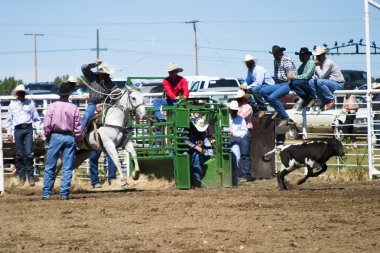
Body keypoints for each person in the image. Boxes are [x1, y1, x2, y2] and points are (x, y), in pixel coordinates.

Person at [81, 60, 121, 189]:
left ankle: (112, 179)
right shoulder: (92, 77)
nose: (103, 74)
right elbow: (84, 68)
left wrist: (117, 92)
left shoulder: (110, 83)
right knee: (87, 116)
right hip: (93, 105)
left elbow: (117, 92)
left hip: (106, 106)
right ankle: (79, 136)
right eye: (101, 72)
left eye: (104, 72)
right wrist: (95, 63)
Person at [41, 83, 83, 200]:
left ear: (58, 94)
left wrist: (47, 136)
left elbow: (47, 125)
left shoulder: (52, 106)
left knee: (50, 166)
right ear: (69, 94)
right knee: (67, 167)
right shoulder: (74, 107)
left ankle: (47, 193)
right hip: (69, 137)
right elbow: (78, 128)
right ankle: (64, 193)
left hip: (55, 136)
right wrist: (79, 141)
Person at [6, 85, 43, 186]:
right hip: (17, 130)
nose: (21, 94)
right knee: (19, 154)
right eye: (20, 92)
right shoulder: (12, 104)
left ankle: (30, 177)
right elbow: (9, 120)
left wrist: (39, 130)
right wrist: (9, 132)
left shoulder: (30, 103)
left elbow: (36, 118)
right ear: (17, 94)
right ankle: (22, 177)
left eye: (23, 92)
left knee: (28, 153)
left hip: (28, 129)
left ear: (24, 93)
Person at [260, 45, 297, 126]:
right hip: (279, 83)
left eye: (275, 53)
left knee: (272, 97)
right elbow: (277, 75)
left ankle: (285, 117)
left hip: (289, 83)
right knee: (262, 91)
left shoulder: (286, 60)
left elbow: (291, 75)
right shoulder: (275, 61)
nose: (274, 55)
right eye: (273, 53)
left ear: (280, 52)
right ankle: (277, 109)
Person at [309, 45, 345, 110]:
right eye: (317, 55)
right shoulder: (321, 63)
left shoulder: (328, 62)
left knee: (319, 82)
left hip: (338, 84)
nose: (318, 57)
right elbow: (315, 77)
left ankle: (331, 99)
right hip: (329, 83)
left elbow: (321, 76)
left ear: (324, 54)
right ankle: (323, 100)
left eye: (319, 55)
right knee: (311, 82)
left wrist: (317, 66)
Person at [228, 100, 248, 187]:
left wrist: (234, 134)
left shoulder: (241, 119)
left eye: (235, 110)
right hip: (224, 141)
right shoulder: (225, 118)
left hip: (234, 142)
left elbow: (244, 131)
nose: (234, 111)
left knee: (237, 158)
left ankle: (234, 180)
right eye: (233, 110)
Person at [186, 115, 209, 188]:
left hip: (193, 149)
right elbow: (184, 140)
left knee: (197, 157)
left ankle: (196, 182)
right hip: (184, 148)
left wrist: (200, 144)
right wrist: (196, 147)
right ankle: (190, 182)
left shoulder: (202, 132)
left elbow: (201, 139)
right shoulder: (187, 127)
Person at [236, 90, 253, 182]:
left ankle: (246, 175)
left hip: (245, 131)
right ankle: (239, 174)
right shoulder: (238, 107)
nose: (238, 100)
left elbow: (240, 116)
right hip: (237, 132)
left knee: (245, 154)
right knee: (239, 154)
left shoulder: (248, 107)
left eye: (239, 98)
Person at [341, 84, 359, 148]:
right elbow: (344, 106)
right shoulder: (345, 97)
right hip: (347, 114)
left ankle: (349, 142)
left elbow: (357, 106)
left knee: (344, 128)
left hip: (352, 114)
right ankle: (353, 142)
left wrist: (349, 109)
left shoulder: (352, 97)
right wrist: (342, 111)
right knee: (350, 128)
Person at [372, 83, 380, 149]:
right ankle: (378, 143)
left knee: (377, 130)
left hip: (378, 113)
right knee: (376, 129)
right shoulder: (375, 96)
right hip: (376, 113)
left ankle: (379, 144)